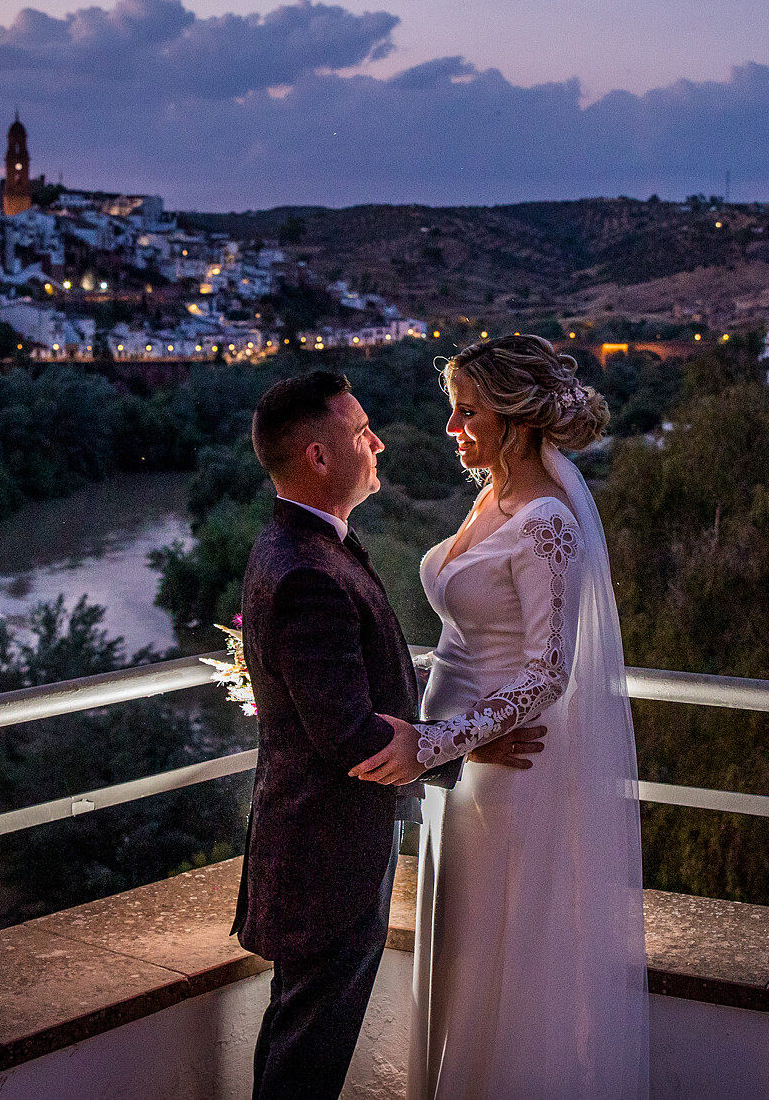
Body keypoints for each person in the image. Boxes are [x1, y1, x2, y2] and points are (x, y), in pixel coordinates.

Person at [350, 335, 650, 1099]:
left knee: (497, 955)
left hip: (507, 774)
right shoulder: (491, 496)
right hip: (461, 766)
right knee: (458, 947)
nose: (451, 425)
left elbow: (548, 672)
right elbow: (468, 643)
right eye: (452, 407)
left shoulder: (548, 517)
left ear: (516, 419)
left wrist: (434, 742)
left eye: (468, 410)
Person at [231, 370, 544, 1100]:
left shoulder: (306, 544)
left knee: (299, 1032)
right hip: (325, 854)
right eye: (361, 430)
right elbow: (350, 736)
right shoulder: (307, 570)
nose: (377, 442)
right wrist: (464, 741)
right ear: (317, 456)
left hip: (321, 847)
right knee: (308, 1049)